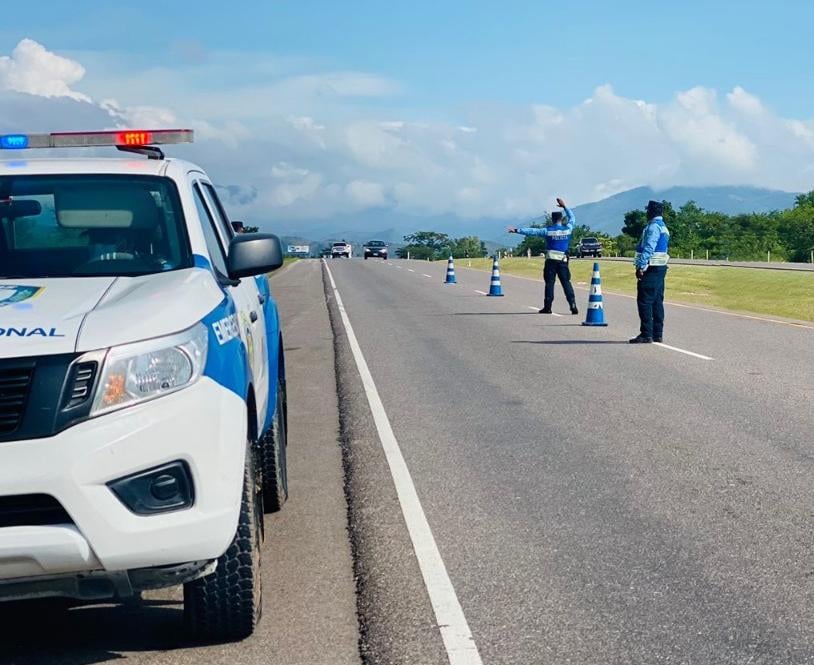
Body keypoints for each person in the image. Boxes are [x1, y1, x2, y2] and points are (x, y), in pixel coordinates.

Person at [507, 197, 578, 314]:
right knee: (566, 283)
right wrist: (565, 206)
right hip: (563, 260)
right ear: (562, 219)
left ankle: (548, 307)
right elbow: (573, 218)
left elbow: (532, 231)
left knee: (550, 283)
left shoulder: (547, 230)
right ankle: (572, 304)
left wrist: (517, 230)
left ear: (552, 219)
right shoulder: (568, 229)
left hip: (551, 261)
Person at [630, 200, 670, 343]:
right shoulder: (663, 227)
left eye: (647, 211)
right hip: (660, 268)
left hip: (651, 267)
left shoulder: (653, 227)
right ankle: (657, 333)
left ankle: (646, 333)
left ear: (651, 212)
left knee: (645, 301)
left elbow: (649, 247)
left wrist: (641, 266)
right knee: (657, 301)